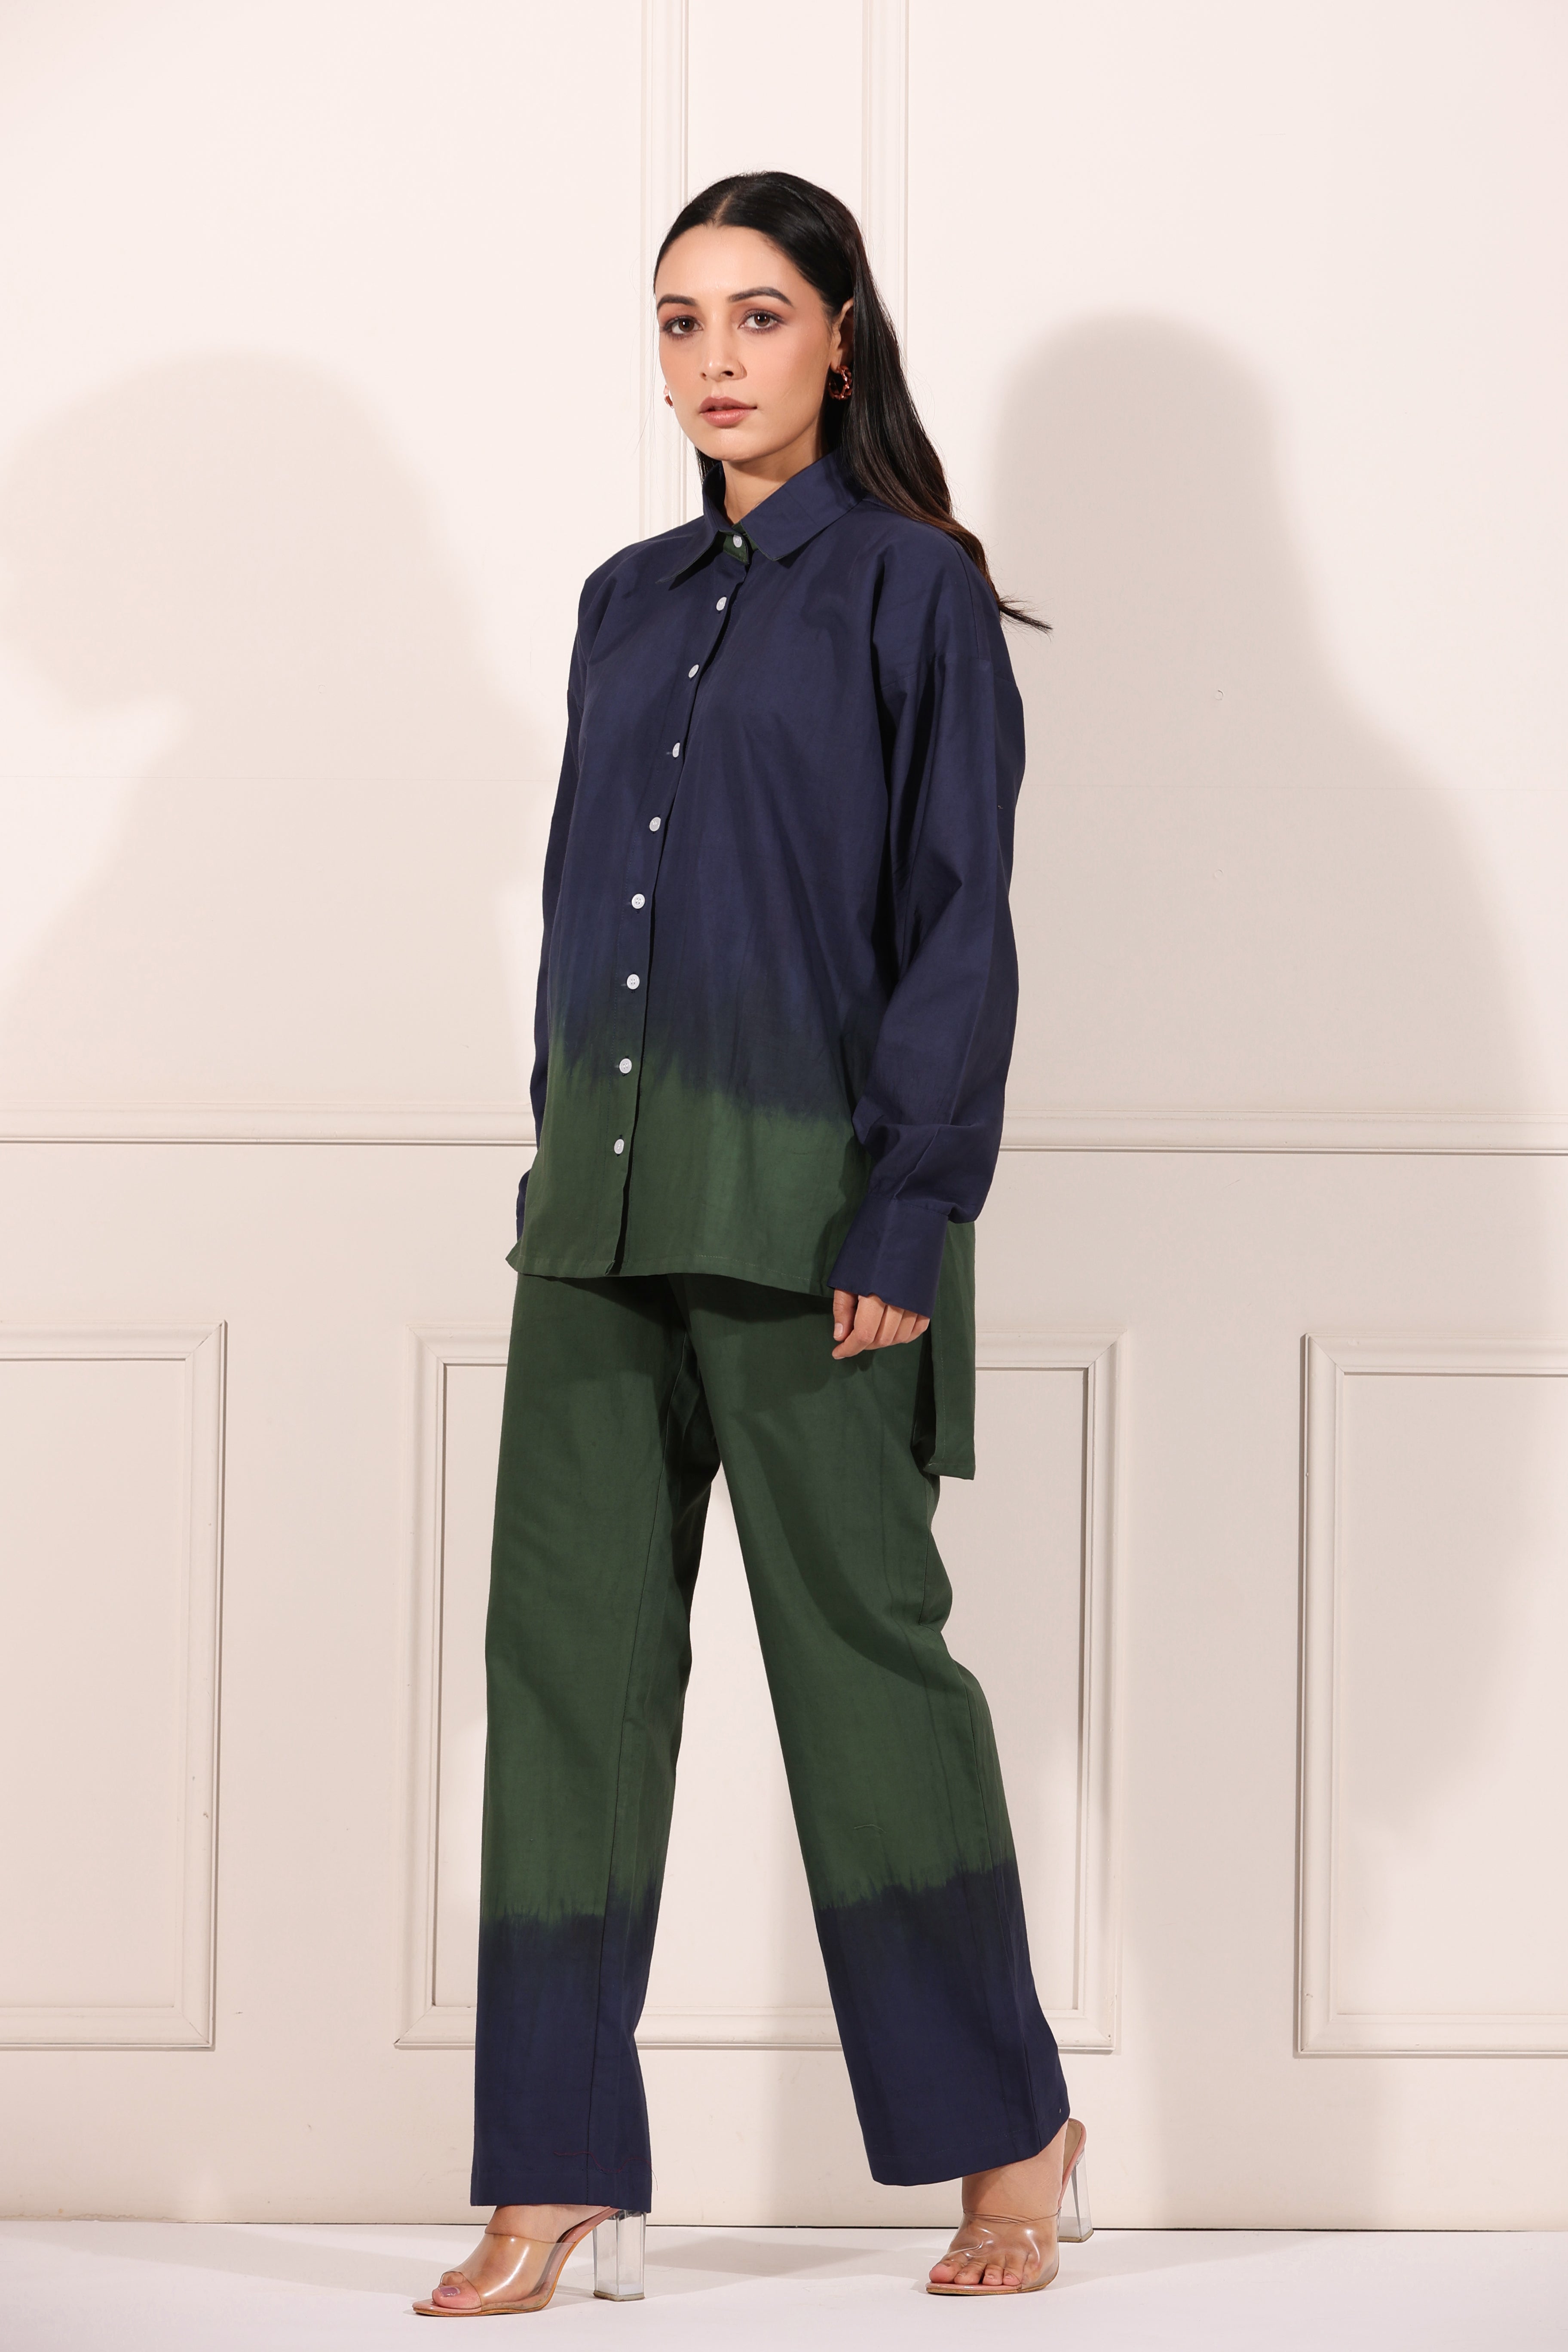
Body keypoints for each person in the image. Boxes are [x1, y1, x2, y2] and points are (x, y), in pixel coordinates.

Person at [415, 169, 1088, 2319]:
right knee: (562, 1688)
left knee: (867, 1680)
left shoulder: (911, 592)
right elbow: (574, 910)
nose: (715, 358)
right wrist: (562, 1159)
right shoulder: (622, 600)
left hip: (819, 1228)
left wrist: (910, 1203)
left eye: (760, 315)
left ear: (841, 336)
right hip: (598, 1228)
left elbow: (958, 924)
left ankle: (1012, 2141)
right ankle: (552, 2174)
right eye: (681, 320)